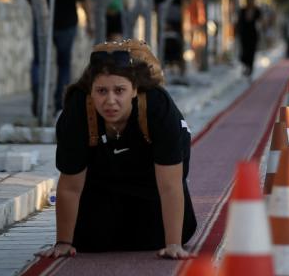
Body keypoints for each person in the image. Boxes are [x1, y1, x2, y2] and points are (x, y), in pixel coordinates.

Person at [39, 39, 196, 259]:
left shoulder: (158, 107)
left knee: (156, 237)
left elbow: (170, 186)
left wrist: (173, 244)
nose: (110, 101)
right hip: (103, 180)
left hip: (151, 183)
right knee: (87, 241)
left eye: (119, 90)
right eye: (101, 91)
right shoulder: (77, 111)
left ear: (134, 90)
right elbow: (70, 187)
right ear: (90, 92)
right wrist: (64, 242)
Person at [27, 0, 92, 117]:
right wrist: (90, 22)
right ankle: (59, 104)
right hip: (66, 23)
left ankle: (39, 99)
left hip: (42, 23)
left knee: (39, 62)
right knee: (64, 64)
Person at [235, 0, 262, 77]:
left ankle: (250, 68)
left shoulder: (257, 10)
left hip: (253, 34)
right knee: (244, 51)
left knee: (252, 51)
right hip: (244, 34)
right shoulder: (242, 10)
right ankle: (245, 65)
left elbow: (260, 21)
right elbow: (239, 22)